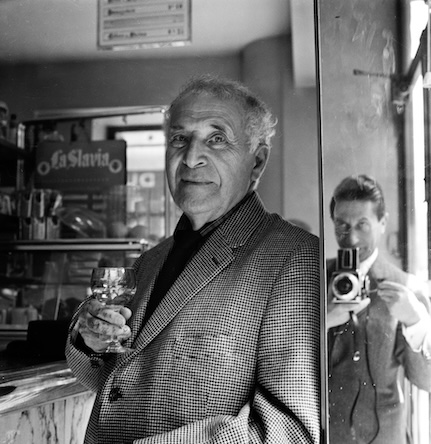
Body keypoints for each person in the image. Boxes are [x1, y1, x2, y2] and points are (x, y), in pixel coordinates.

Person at [66, 75, 321, 444]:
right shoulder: (150, 261)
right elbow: (113, 384)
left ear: (257, 161)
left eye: (217, 139)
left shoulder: (292, 258)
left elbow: (289, 432)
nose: (190, 157)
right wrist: (90, 341)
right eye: (179, 138)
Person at [327, 174, 431, 444]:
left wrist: (415, 322)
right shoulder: (313, 279)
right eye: (342, 225)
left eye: (362, 224)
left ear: (382, 223)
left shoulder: (407, 288)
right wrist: (323, 320)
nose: (351, 237)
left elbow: (426, 381)